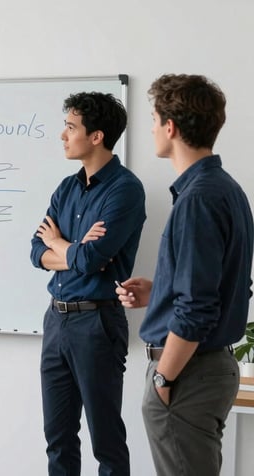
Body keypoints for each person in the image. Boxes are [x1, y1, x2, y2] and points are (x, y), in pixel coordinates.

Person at [116, 74, 254, 476]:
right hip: (204, 369)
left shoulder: (198, 199)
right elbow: (229, 285)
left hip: (186, 374)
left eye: (156, 120)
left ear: (171, 127)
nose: (153, 129)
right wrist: (159, 292)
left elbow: (197, 308)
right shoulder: (226, 189)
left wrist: (163, 378)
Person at [30, 92, 146, 475]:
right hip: (56, 321)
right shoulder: (66, 188)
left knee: (106, 441)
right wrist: (74, 251)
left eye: (71, 128)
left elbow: (93, 260)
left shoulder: (125, 190)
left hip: (96, 323)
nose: (63, 136)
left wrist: (61, 245)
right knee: (58, 439)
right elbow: (35, 252)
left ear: (96, 136)